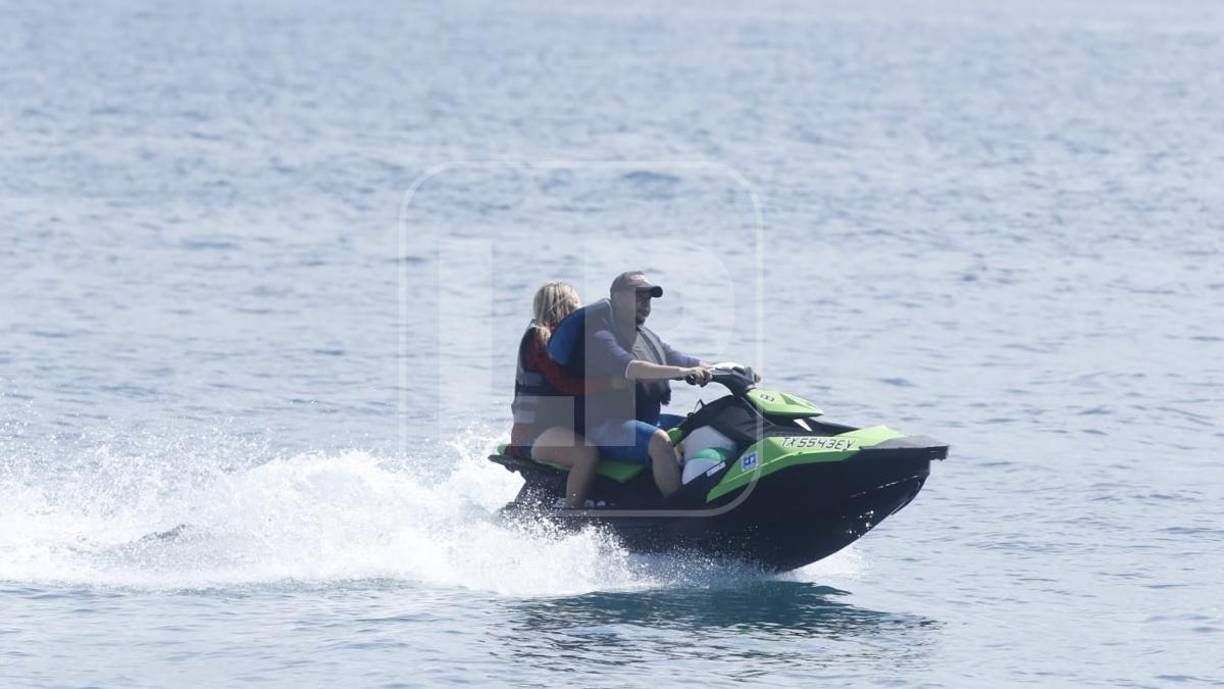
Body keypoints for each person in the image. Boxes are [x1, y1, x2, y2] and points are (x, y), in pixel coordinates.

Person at [580, 271, 712, 497]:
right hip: (605, 426)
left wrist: (730, 369)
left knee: (702, 425)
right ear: (618, 298)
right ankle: (680, 514)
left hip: (641, 420)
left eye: (648, 297)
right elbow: (632, 368)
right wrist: (684, 372)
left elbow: (682, 360)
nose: (645, 302)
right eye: (638, 296)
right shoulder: (599, 335)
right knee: (659, 442)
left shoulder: (645, 336)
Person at [508, 282, 614, 508]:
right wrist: (610, 384)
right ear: (562, 306)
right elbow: (564, 384)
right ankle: (570, 516)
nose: (579, 311)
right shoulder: (540, 338)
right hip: (534, 432)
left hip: (558, 427)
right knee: (586, 455)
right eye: (576, 305)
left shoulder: (568, 342)